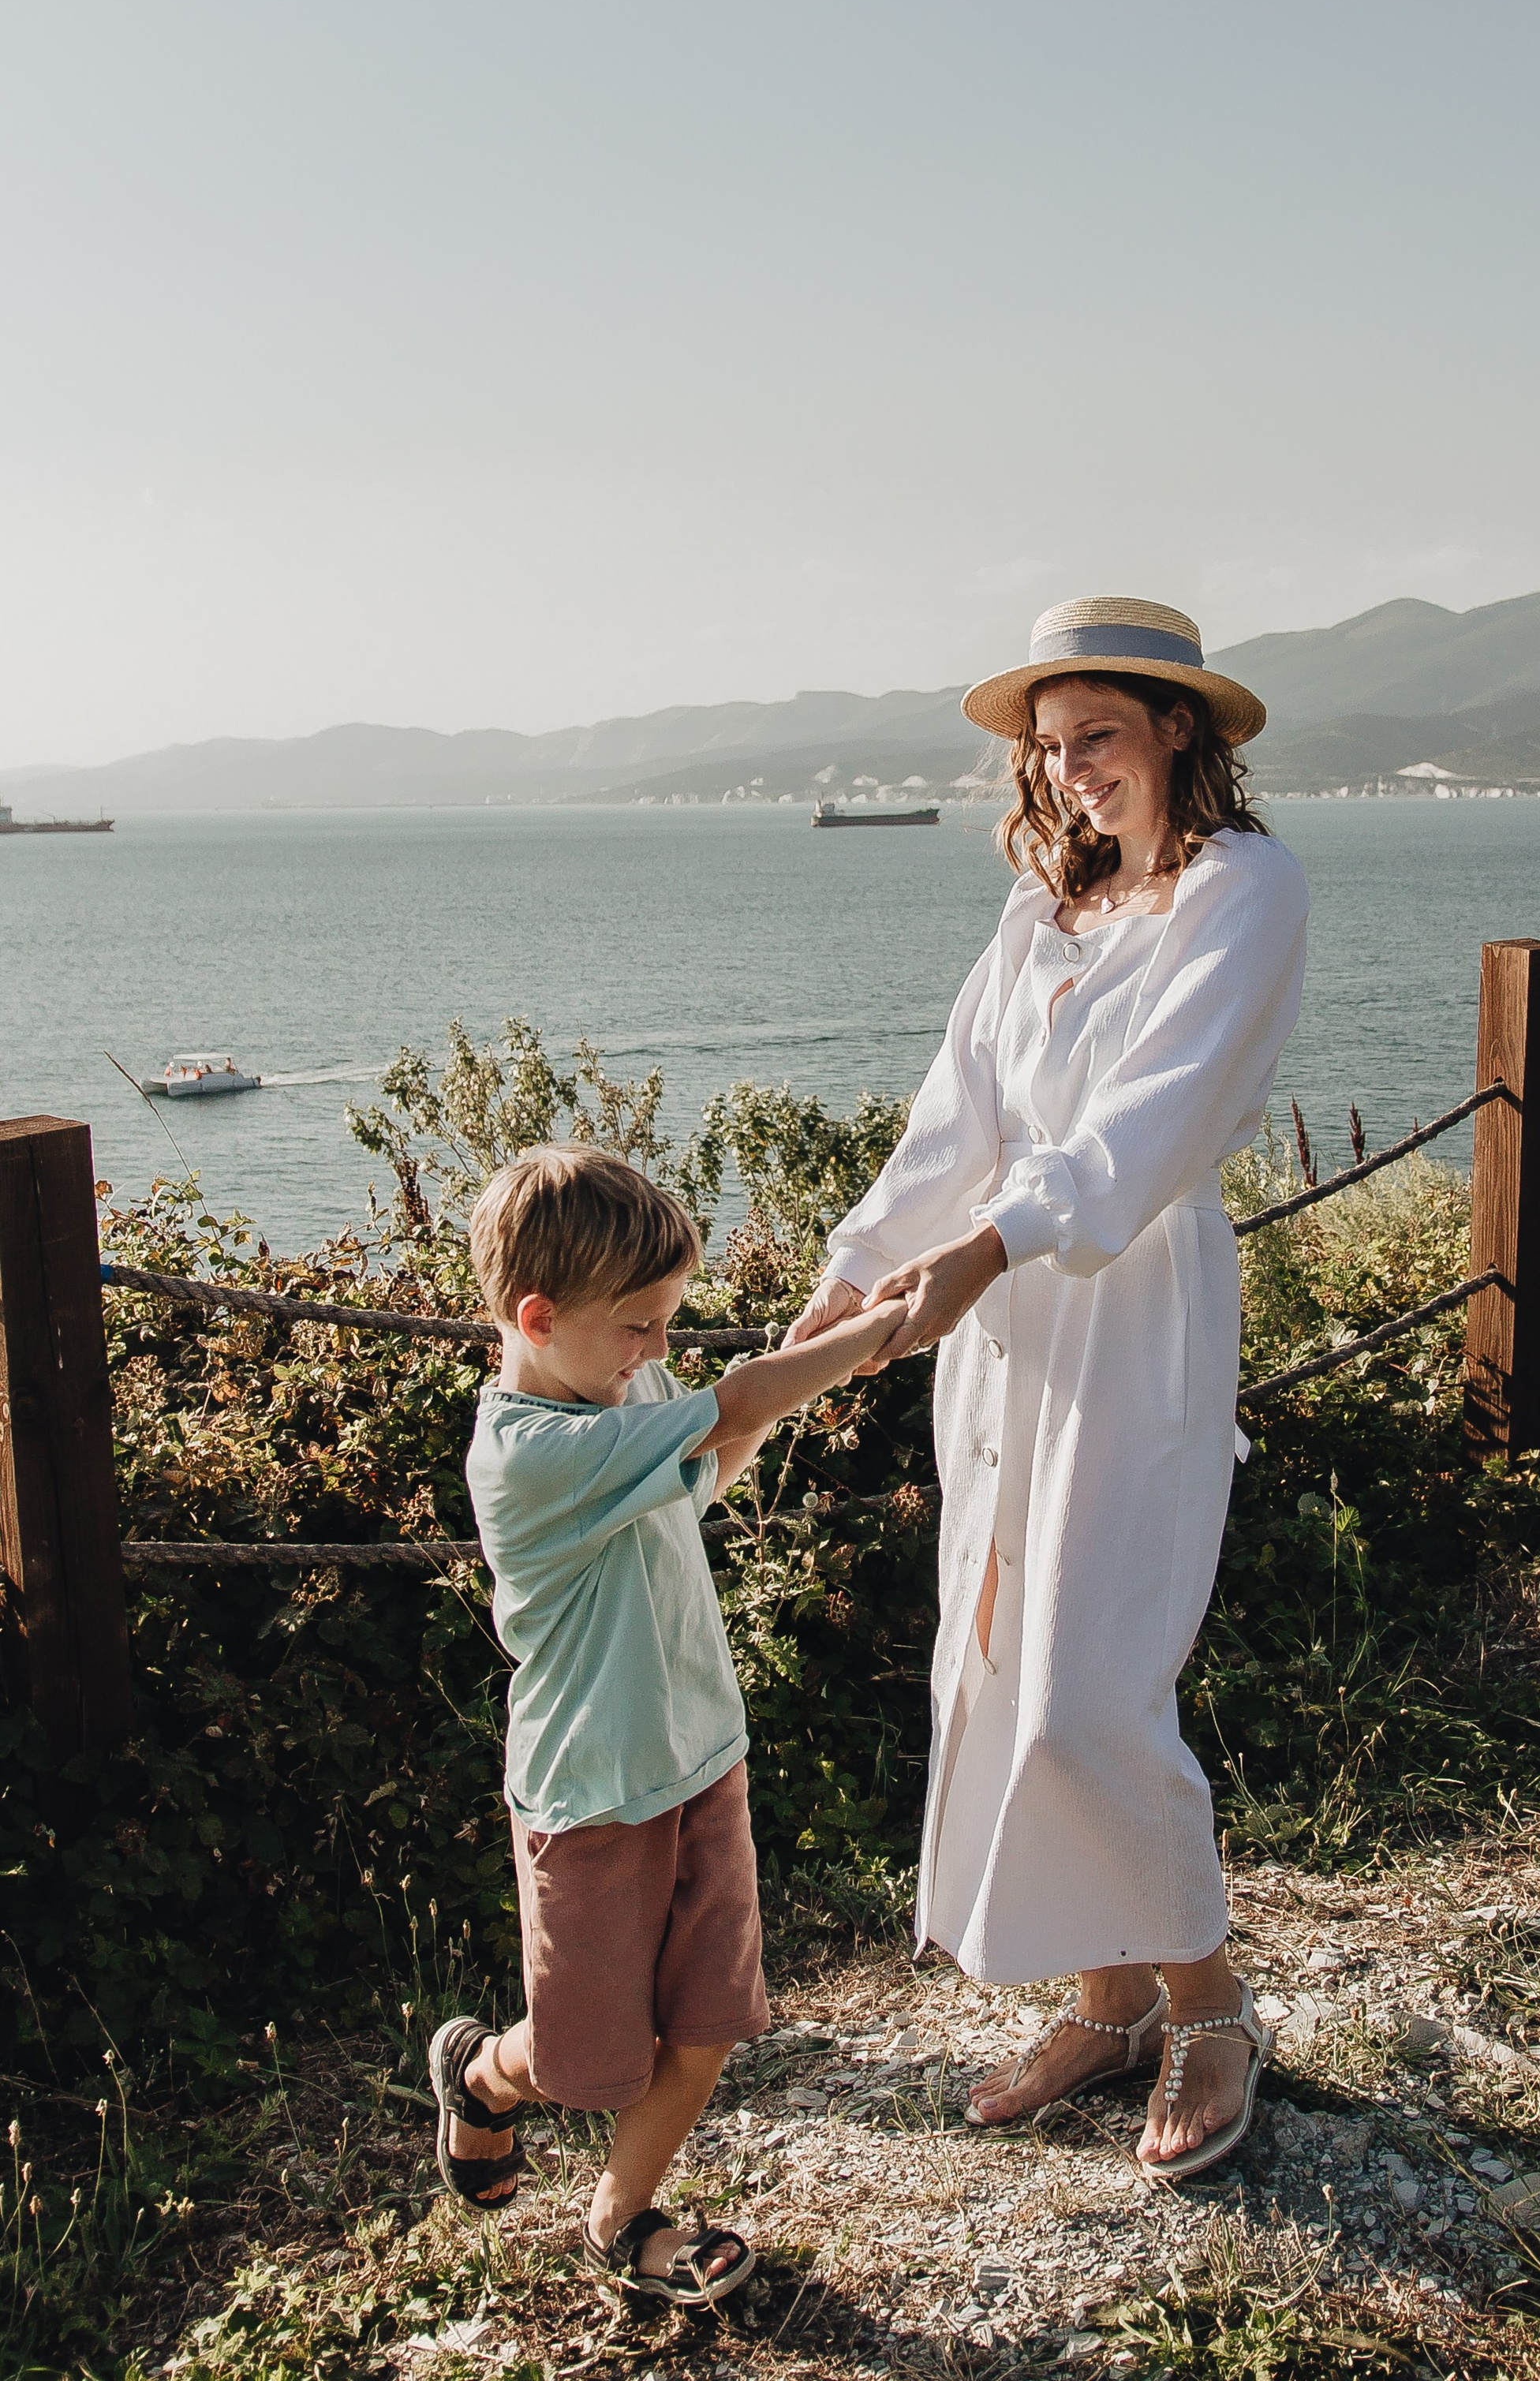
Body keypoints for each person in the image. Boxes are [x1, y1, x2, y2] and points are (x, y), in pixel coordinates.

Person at [783, 596, 1308, 2183]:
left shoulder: (1241, 890)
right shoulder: (1042, 917)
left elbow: (1145, 1131)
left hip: (1127, 1311)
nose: (1072, 770)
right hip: (1004, 1323)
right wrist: (853, 1268)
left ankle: (1206, 2007)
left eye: (1098, 734)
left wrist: (983, 1254)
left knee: (1091, 1690)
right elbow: (955, 1124)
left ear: (1173, 731)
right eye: (1050, 745)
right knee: (1005, 1663)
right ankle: (1104, 1996)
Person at [428, 1143, 903, 2312]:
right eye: (640, 1326)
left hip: (703, 1761)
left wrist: (807, 1357)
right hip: (592, 1796)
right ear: (537, 1318)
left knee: (705, 2021)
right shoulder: (532, 1454)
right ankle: (487, 2074)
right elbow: (731, 1407)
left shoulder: (613, 1391)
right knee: (595, 2058)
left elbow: (715, 1452)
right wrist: (875, 1337)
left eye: (667, 1325)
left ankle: (623, 2218)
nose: (658, 1354)